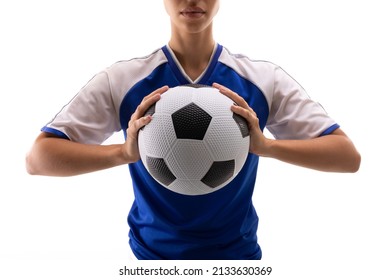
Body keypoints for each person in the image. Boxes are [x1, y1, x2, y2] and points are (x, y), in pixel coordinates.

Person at [26, 0, 361, 260]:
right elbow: (38, 159)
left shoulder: (262, 79)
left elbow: (347, 157)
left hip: (237, 260)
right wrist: (122, 153)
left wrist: (265, 146)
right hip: (150, 260)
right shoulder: (124, 79)